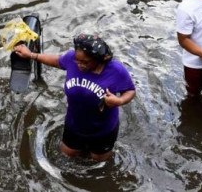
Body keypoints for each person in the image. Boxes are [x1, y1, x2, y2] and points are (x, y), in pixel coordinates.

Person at [13, 33, 136, 161]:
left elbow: (130, 90)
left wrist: (119, 100)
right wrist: (31, 55)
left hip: (102, 131)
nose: (79, 64)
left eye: (85, 62)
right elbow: (57, 61)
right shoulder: (72, 58)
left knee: (98, 163)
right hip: (74, 125)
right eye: (77, 60)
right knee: (66, 155)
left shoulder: (115, 70)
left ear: (98, 59)